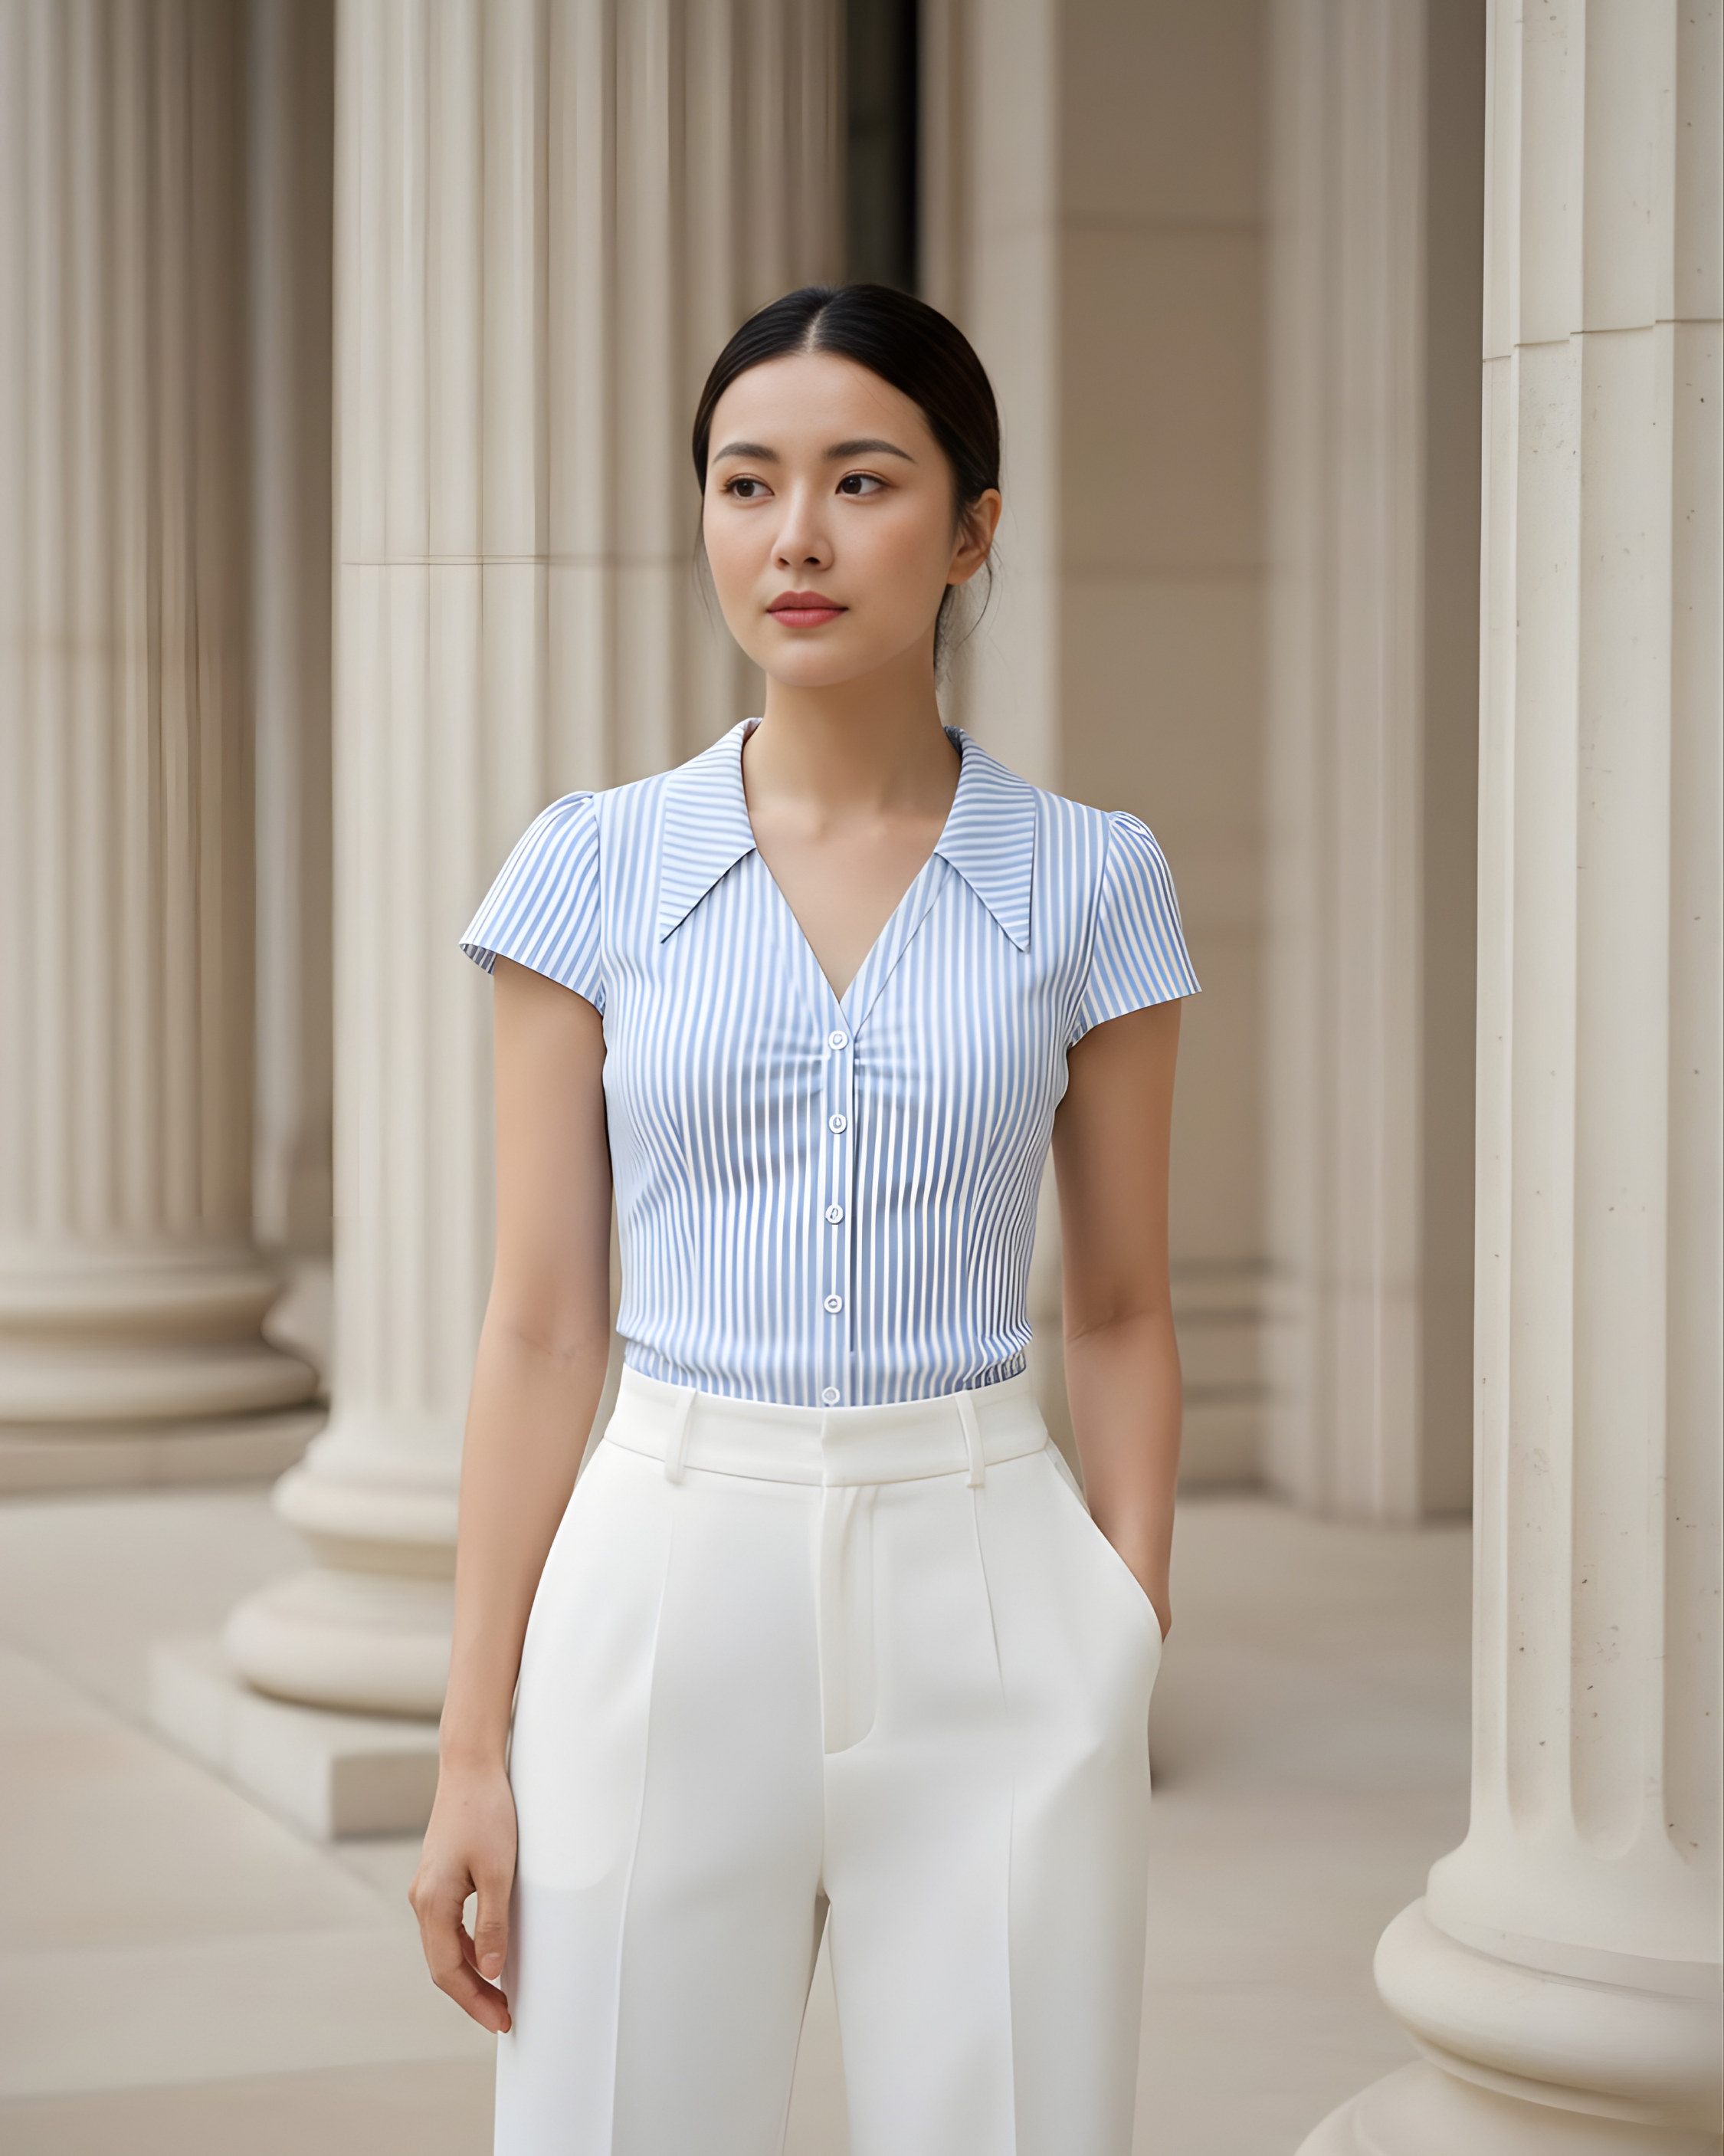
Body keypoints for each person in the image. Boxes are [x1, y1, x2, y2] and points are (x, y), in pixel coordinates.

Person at [409, 283, 1198, 2156]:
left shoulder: (1092, 877)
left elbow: (1120, 1307)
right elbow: (536, 1323)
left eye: (863, 482)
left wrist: (1125, 1625)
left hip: (994, 1589)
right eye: (748, 482)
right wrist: (468, 1746)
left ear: (975, 527)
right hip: (663, 1587)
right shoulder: (590, 868)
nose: (800, 538)